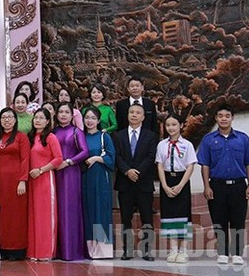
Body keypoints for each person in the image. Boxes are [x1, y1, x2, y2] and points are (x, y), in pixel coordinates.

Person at [197, 104, 249, 266]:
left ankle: (237, 253)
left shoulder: (242, 139)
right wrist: (206, 186)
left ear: (232, 118)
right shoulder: (208, 140)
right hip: (217, 186)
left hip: (238, 186)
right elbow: (205, 165)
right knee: (219, 220)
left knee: (238, 220)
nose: (224, 118)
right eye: (220, 116)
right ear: (216, 118)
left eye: (227, 115)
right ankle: (222, 252)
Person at [114, 103, 158, 261]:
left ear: (143, 117)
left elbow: (151, 157)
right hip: (125, 184)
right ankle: (127, 250)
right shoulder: (118, 136)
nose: (134, 115)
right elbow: (117, 157)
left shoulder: (150, 136)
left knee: (147, 219)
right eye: (131, 112)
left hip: (143, 183)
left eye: (137, 112)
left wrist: (137, 172)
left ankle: (146, 250)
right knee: (126, 219)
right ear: (127, 115)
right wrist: (127, 171)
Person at [156, 114, 196, 264]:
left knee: (183, 214)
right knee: (169, 214)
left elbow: (190, 165)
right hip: (167, 179)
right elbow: (159, 165)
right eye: (168, 125)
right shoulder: (161, 145)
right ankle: (173, 249)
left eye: (174, 124)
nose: (171, 128)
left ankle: (183, 250)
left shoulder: (187, 144)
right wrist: (165, 185)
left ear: (180, 125)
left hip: (182, 180)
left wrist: (180, 185)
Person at [52, 102, 88, 261]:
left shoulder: (76, 131)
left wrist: (68, 162)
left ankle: (71, 251)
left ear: (72, 114)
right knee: (55, 210)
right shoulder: (52, 132)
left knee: (69, 210)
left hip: (71, 173)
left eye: (67, 112)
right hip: (53, 174)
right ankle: (56, 250)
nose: (63, 115)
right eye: (61, 112)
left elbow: (85, 152)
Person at [27, 108, 63, 261]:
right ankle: (34, 251)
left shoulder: (50, 137)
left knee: (45, 216)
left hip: (45, 179)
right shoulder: (30, 137)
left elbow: (58, 159)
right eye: (36, 117)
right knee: (33, 216)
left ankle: (46, 251)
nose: (38, 120)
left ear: (48, 121)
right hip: (31, 180)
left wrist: (41, 170)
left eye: (42, 118)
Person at [0, 108, 30, 260]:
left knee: (17, 215)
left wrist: (23, 180)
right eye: (3, 117)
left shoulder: (21, 137)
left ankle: (16, 249)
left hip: (16, 181)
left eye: (10, 117)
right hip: (0, 182)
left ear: (15, 120)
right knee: (1, 214)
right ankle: (2, 248)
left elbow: (25, 159)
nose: (7, 120)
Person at [81, 106, 115, 259]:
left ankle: (102, 250)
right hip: (84, 178)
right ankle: (89, 249)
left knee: (101, 210)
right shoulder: (80, 136)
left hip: (100, 177)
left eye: (93, 118)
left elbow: (111, 157)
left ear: (98, 120)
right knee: (87, 210)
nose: (90, 121)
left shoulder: (104, 136)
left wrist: (96, 159)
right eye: (87, 117)